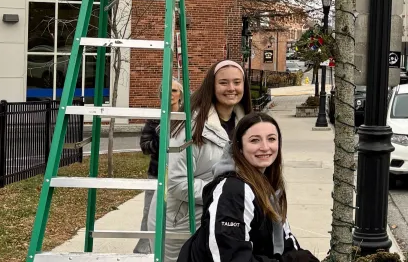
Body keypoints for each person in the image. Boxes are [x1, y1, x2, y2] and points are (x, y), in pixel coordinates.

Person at [179, 112, 318, 262]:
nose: (265, 147)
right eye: (254, 140)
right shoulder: (233, 191)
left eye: (271, 139)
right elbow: (228, 257)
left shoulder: (269, 184)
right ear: (239, 147)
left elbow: (287, 240)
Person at [155, 60, 251, 262]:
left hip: (222, 218)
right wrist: (224, 193)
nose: (231, 88)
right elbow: (176, 183)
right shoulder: (190, 127)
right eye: (223, 82)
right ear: (211, 86)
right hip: (183, 222)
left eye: (237, 82)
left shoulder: (246, 125)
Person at [134, 80, 184, 254]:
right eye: (165, 90)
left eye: (174, 90)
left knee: (179, 215)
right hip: (157, 173)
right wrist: (160, 136)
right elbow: (145, 147)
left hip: (181, 174)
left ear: (180, 94)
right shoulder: (154, 119)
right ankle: (143, 251)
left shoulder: (187, 117)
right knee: (150, 213)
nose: (170, 94)